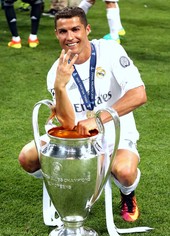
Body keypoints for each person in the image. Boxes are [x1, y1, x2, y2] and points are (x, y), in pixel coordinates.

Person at [18, 7, 147, 222]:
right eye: (62, 31)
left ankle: (127, 195)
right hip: (76, 138)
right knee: (27, 157)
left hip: (116, 133)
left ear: (87, 29)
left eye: (75, 29)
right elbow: (67, 123)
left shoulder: (110, 51)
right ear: (56, 34)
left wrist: (97, 120)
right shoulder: (55, 71)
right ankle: (65, 183)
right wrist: (60, 86)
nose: (70, 37)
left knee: (125, 172)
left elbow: (139, 94)